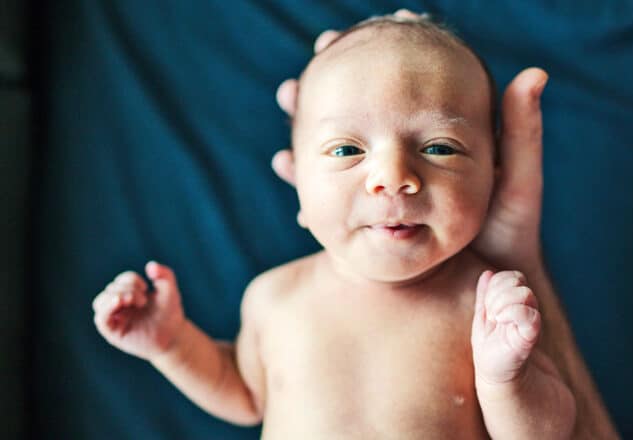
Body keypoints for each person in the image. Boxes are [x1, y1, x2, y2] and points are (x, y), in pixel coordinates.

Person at [92, 14, 604, 438]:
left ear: (493, 176)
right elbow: (245, 393)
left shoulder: (487, 304)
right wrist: (171, 345)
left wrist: (505, 380)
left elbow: (551, 428)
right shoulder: (273, 298)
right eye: (346, 150)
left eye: (439, 148)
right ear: (296, 180)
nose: (393, 178)